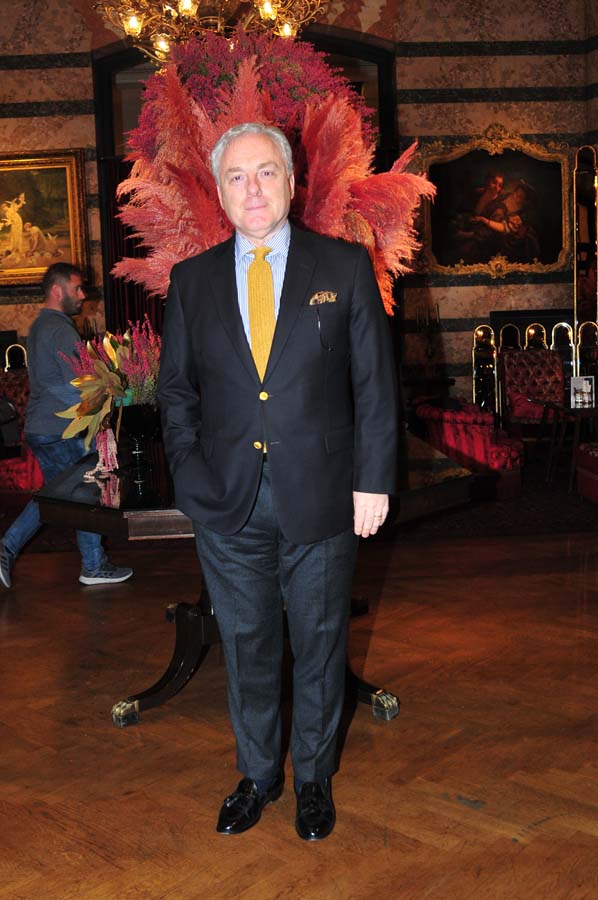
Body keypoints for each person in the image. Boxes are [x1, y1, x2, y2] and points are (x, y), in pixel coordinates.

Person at [157, 123, 398, 841]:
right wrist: (190, 474)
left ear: (293, 183)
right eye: (236, 176)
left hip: (322, 495)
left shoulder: (344, 267)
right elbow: (176, 393)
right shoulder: (192, 281)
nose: (253, 188)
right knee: (247, 645)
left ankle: (314, 780)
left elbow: (374, 386)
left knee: (320, 645)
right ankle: (259, 775)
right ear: (219, 191)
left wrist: (373, 482)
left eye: (266, 172)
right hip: (226, 502)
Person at [0, 262, 133, 590]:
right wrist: (114, 395)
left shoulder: (40, 325)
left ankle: (8, 549)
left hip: (43, 427)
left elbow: (54, 382)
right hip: (62, 429)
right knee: (84, 493)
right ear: (58, 291)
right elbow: (78, 384)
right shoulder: (60, 330)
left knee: (56, 498)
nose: (83, 295)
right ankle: (93, 565)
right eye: (77, 288)